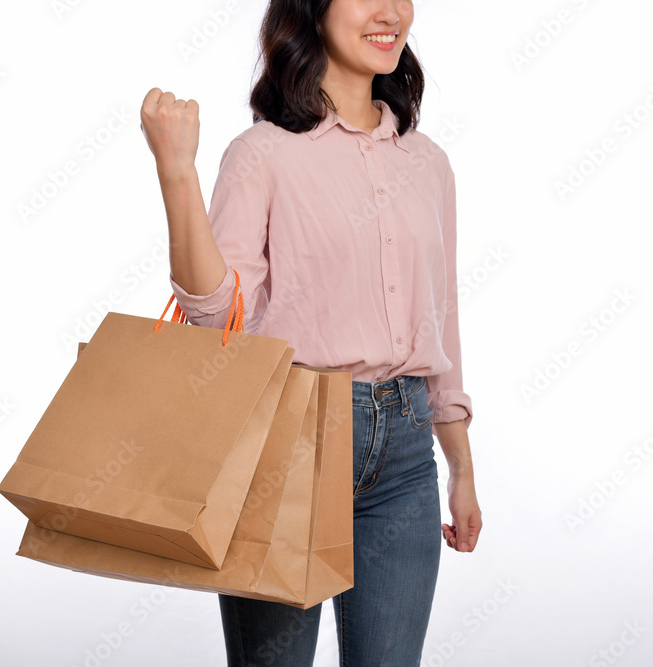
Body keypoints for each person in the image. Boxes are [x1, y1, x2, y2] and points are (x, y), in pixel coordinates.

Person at [139, 1, 481, 664]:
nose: (391, 12)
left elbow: (444, 316)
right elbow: (217, 318)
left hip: (407, 456)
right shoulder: (262, 154)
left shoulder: (429, 163)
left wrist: (460, 465)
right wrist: (176, 173)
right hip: (286, 445)